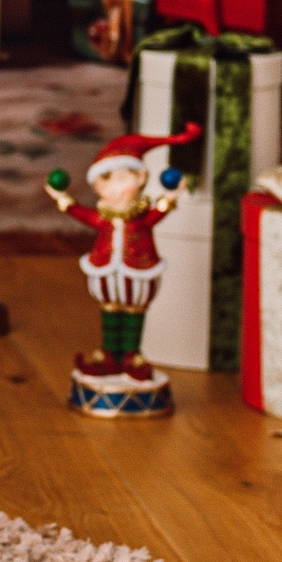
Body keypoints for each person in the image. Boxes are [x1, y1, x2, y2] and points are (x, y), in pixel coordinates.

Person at [44, 123, 200, 382]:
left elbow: (157, 213)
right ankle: (109, 353)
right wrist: (61, 197)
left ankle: (131, 354)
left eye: (122, 179)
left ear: (141, 178)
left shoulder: (140, 218)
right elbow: (83, 214)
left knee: (134, 309)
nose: (114, 189)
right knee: (110, 306)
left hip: (138, 268)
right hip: (105, 268)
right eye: (106, 181)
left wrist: (172, 194)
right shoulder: (103, 216)